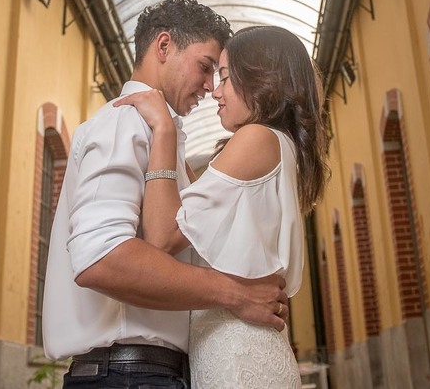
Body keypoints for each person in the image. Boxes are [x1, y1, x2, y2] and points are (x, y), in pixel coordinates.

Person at [42, 0, 291, 388]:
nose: (210, 87)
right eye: (205, 67)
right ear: (163, 46)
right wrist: (236, 294)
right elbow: (101, 257)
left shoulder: (162, 135)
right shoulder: (126, 123)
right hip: (126, 375)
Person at [116, 25, 329, 388]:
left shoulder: (256, 138)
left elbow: (163, 236)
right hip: (240, 349)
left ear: (262, 81)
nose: (215, 91)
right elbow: (197, 214)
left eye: (226, 77)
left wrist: (164, 130)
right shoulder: (277, 145)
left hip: (238, 356)